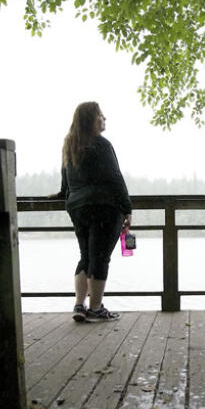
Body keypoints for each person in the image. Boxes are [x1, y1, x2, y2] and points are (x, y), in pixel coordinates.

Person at [59, 101, 132, 322]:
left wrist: (65, 195)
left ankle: (79, 305)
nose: (104, 119)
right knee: (100, 258)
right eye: (100, 115)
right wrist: (127, 208)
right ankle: (96, 308)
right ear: (91, 119)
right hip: (104, 207)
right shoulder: (102, 144)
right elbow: (115, 177)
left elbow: (66, 181)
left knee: (86, 256)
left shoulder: (71, 144)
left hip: (78, 207)